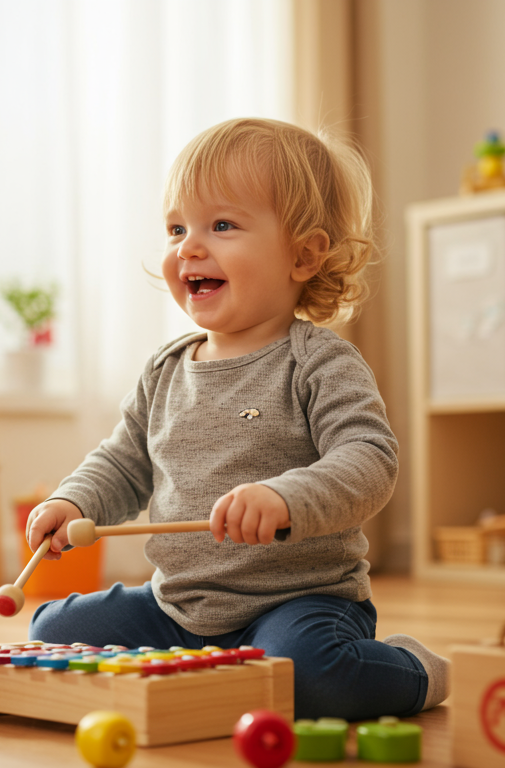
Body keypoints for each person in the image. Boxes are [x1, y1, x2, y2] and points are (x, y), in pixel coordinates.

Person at [25, 117, 447, 720]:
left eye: (221, 226)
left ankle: (413, 668)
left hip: (298, 602)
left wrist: (288, 497)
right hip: (179, 607)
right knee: (50, 635)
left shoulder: (319, 360)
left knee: (314, 677)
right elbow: (123, 460)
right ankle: (218, 669)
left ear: (303, 255)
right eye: (177, 228)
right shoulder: (166, 368)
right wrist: (74, 503)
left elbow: (369, 459)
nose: (188, 247)